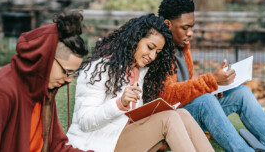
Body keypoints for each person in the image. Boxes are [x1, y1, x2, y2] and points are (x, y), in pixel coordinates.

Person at [158, 0, 265, 152]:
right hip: (170, 120)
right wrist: (209, 82)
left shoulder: (182, 48)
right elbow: (166, 96)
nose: (191, 33)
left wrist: (213, 88)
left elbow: (184, 86)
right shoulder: (157, 50)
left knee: (241, 93)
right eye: (185, 28)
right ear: (168, 24)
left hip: (187, 110)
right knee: (205, 101)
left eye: (192, 27)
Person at [66, 14, 214, 152]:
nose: (152, 56)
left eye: (157, 52)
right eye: (150, 47)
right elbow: (85, 121)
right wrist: (119, 103)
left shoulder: (139, 72)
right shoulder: (98, 68)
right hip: (97, 144)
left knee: (182, 114)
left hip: (121, 136)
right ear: (135, 39)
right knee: (169, 119)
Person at [0, 11, 90, 152]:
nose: (68, 79)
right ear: (46, 59)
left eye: (73, 74)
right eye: (65, 71)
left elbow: (56, 146)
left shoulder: (43, 90)